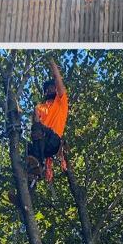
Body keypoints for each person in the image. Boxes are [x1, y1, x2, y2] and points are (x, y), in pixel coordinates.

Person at [26, 59, 69, 189]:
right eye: (49, 88)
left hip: (54, 141)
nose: (53, 89)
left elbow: (59, 83)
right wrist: (34, 110)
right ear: (45, 92)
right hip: (43, 145)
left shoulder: (61, 102)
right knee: (27, 150)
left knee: (39, 129)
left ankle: (38, 166)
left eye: (54, 87)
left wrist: (53, 65)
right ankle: (28, 188)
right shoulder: (40, 107)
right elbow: (35, 125)